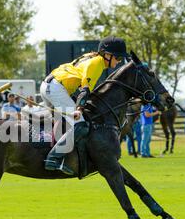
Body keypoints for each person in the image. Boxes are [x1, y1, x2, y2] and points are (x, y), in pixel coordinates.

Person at [40, 36, 129, 174]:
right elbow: (85, 89)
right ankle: (54, 158)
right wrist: (79, 109)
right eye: (118, 58)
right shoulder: (97, 63)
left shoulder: (91, 57)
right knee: (80, 124)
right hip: (57, 88)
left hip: (49, 85)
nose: (119, 61)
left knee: (61, 121)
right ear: (107, 55)